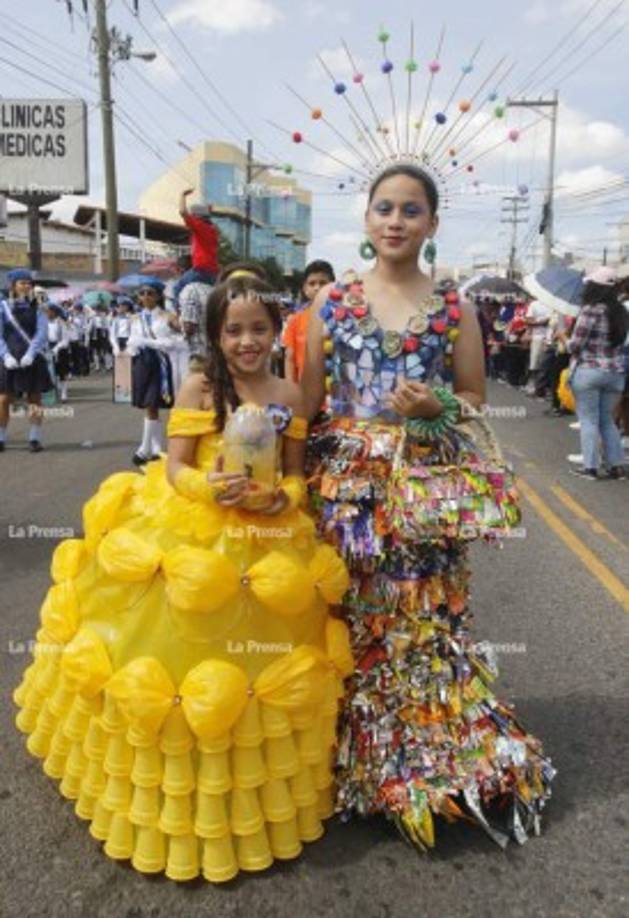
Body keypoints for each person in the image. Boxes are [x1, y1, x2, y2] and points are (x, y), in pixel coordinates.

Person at [13, 273, 352, 883]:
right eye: (234, 330)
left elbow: (298, 477)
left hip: (269, 541)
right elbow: (174, 468)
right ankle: (166, 795)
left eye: (258, 329)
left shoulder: (292, 394)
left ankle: (239, 800)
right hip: (193, 534)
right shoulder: (200, 384)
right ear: (215, 335)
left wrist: (279, 501)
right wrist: (209, 486)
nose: (247, 341)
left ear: (277, 331)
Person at [302, 163, 554, 850]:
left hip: (423, 490)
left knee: (422, 621)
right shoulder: (331, 305)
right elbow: (307, 402)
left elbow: (472, 396)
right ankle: (349, 758)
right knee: (351, 616)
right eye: (382, 207)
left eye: (410, 210)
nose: (394, 220)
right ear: (365, 219)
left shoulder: (454, 309)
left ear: (431, 225)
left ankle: (423, 763)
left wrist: (435, 404)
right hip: (349, 493)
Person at [566, 266, 627, 480]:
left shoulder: (591, 309)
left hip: (589, 371)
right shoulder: (621, 311)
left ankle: (590, 467)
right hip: (615, 373)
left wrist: (565, 339)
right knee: (607, 421)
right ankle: (616, 467)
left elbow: (576, 345)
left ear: (595, 287)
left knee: (589, 420)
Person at [128, 279, 188, 465]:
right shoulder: (135, 318)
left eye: (150, 293)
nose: (145, 297)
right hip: (142, 363)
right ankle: (155, 449)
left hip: (160, 362)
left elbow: (179, 340)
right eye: (142, 293)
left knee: (152, 403)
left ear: (158, 296)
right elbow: (131, 340)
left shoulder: (168, 317)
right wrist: (133, 347)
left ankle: (144, 449)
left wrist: (151, 343)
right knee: (147, 404)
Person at [0, 268, 53, 452]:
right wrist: (5, 355)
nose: (26, 286)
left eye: (29, 283)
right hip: (9, 358)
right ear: (13, 286)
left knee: (34, 398)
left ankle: (34, 437)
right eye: (22, 283)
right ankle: (1, 437)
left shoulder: (37, 306)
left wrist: (31, 353)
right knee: (4, 399)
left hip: (32, 357)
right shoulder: (2, 306)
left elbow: (42, 332)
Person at [282, 260, 335, 383]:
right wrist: (291, 390)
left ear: (333, 286)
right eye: (312, 283)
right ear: (305, 289)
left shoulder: (343, 319)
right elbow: (289, 358)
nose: (317, 287)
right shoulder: (295, 321)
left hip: (337, 394)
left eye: (323, 283)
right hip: (306, 392)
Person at [173, 188, 219, 302]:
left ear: (196, 217)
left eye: (193, 215)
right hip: (212, 274)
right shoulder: (212, 230)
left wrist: (182, 195)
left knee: (176, 289)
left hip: (200, 271)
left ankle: (179, 315)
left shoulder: (199, 226)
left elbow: (183, 212)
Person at [178, 280, 213, 371]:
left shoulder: (191, 290)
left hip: (197, 353)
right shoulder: (213, 289)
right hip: (213, 350)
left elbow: (188, 326)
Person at [525, 299, 551, 394]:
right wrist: (542, 322)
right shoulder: (534, 304)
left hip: (551, 338)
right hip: (537, 337)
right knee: (535, 362)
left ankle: (542, 387)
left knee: (546, 364)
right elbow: (528, 320)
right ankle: (532, 384)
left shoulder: (555, 306)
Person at [47, 304, 71, 402]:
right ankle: (52, 393)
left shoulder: (62, 323)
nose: (46, 313)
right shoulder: (44, 322)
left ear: (54, 312)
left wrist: (56, 348)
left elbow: (65, 340)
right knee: (50, 373)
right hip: (47, 348)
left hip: (60, 349)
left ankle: (64, 393)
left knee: (62, 372)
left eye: (48, 311)